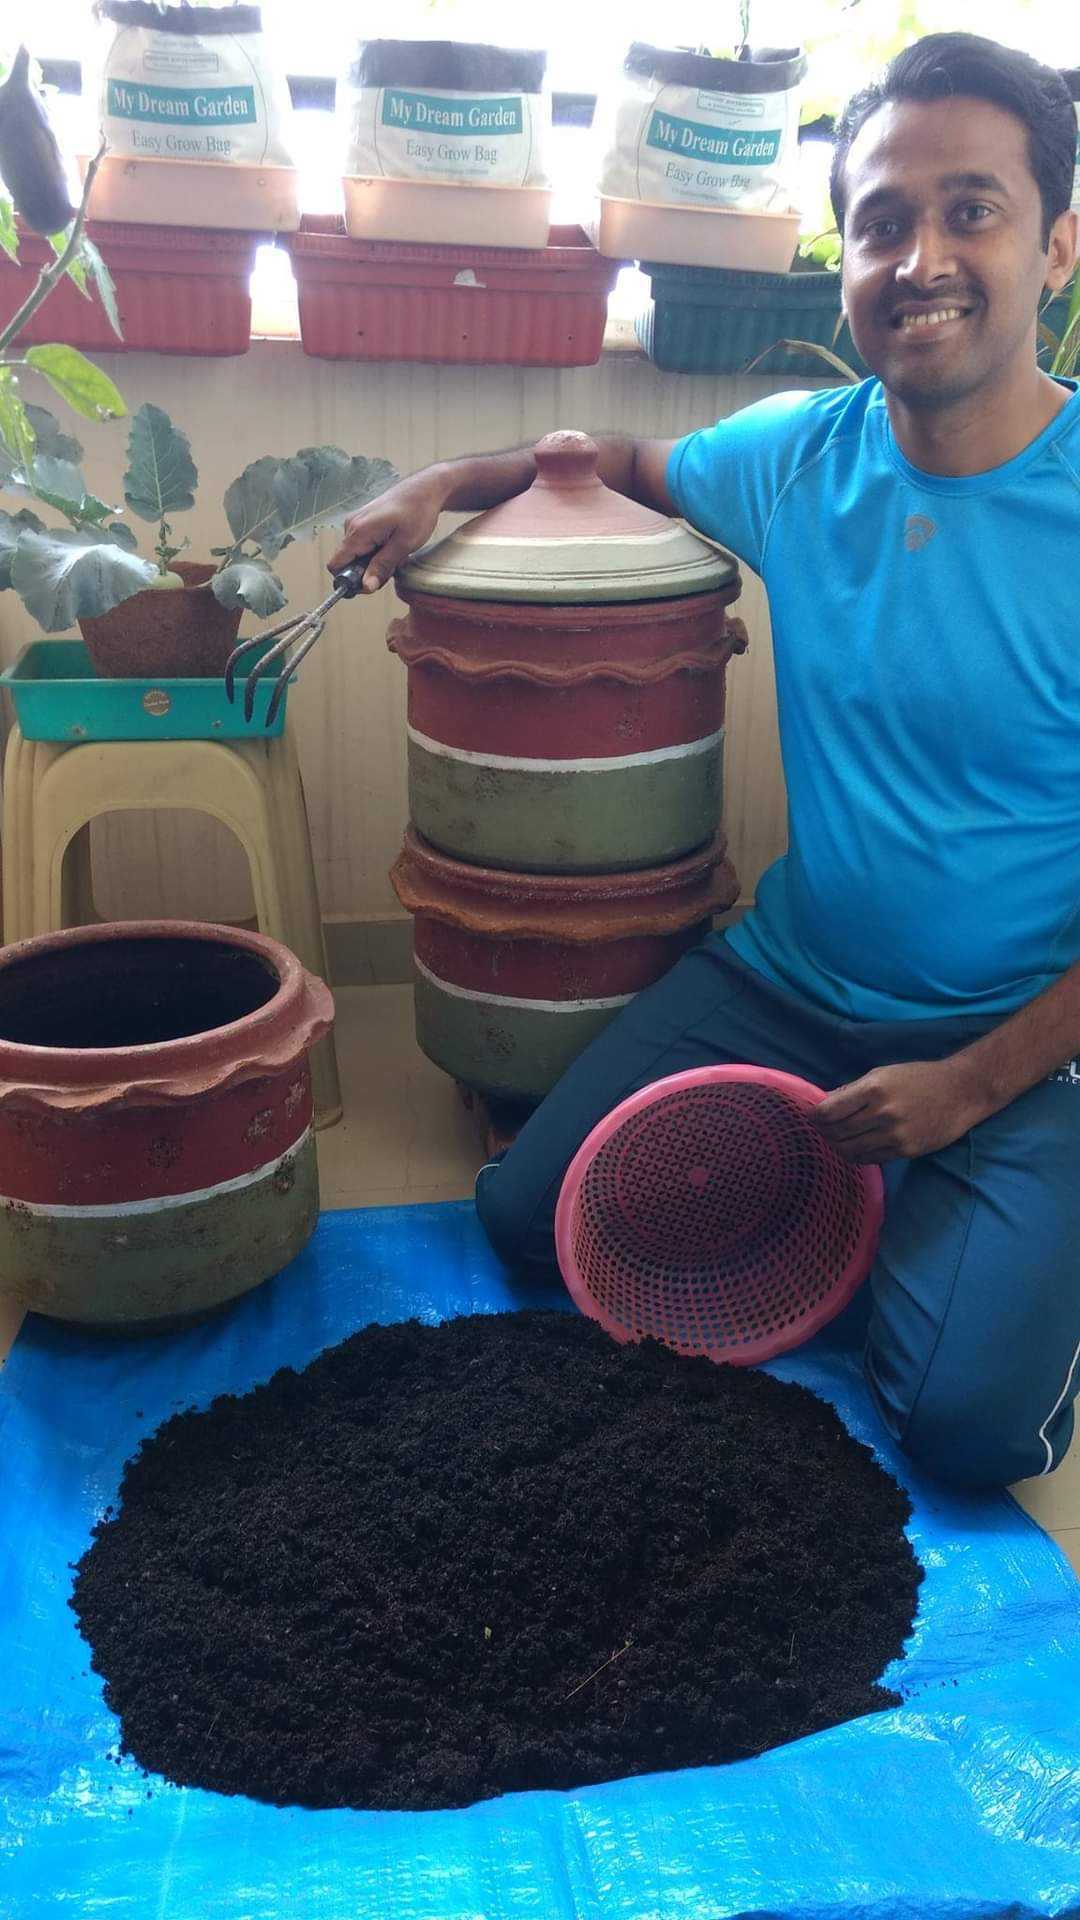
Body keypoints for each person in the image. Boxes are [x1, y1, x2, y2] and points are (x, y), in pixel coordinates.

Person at [331, 32, 1080, 1489]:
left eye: (971, 210)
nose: (921, 256)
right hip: (790, 988)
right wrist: (445, 485)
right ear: (844, 259)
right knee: (527, 1217)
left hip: (1019, 1041)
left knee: (966, 1429)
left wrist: (971, 1089)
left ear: (1059, 246)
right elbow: (603, 455)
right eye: (880, 221)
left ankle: (998, 1196)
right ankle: (911, 1203)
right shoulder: (801, 457)